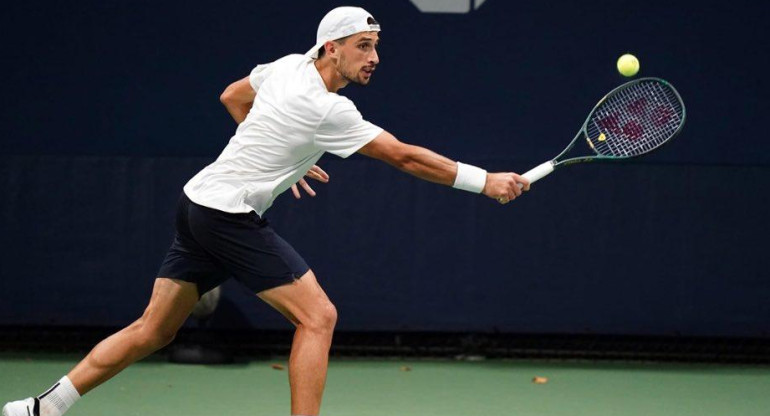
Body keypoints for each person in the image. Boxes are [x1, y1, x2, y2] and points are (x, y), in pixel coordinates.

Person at [3, 6, 529, 416]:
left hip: (196, 205)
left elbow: (233, 97)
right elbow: (404, 157)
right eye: (362, 46)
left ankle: (44, 406)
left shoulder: (285, 66)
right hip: (226, 217)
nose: (373, 57)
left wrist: (279, 154)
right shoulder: (328, 108)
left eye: (376, 47)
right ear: (332, 48)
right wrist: (485, 182)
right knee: (318, 317)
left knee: (153, 330)